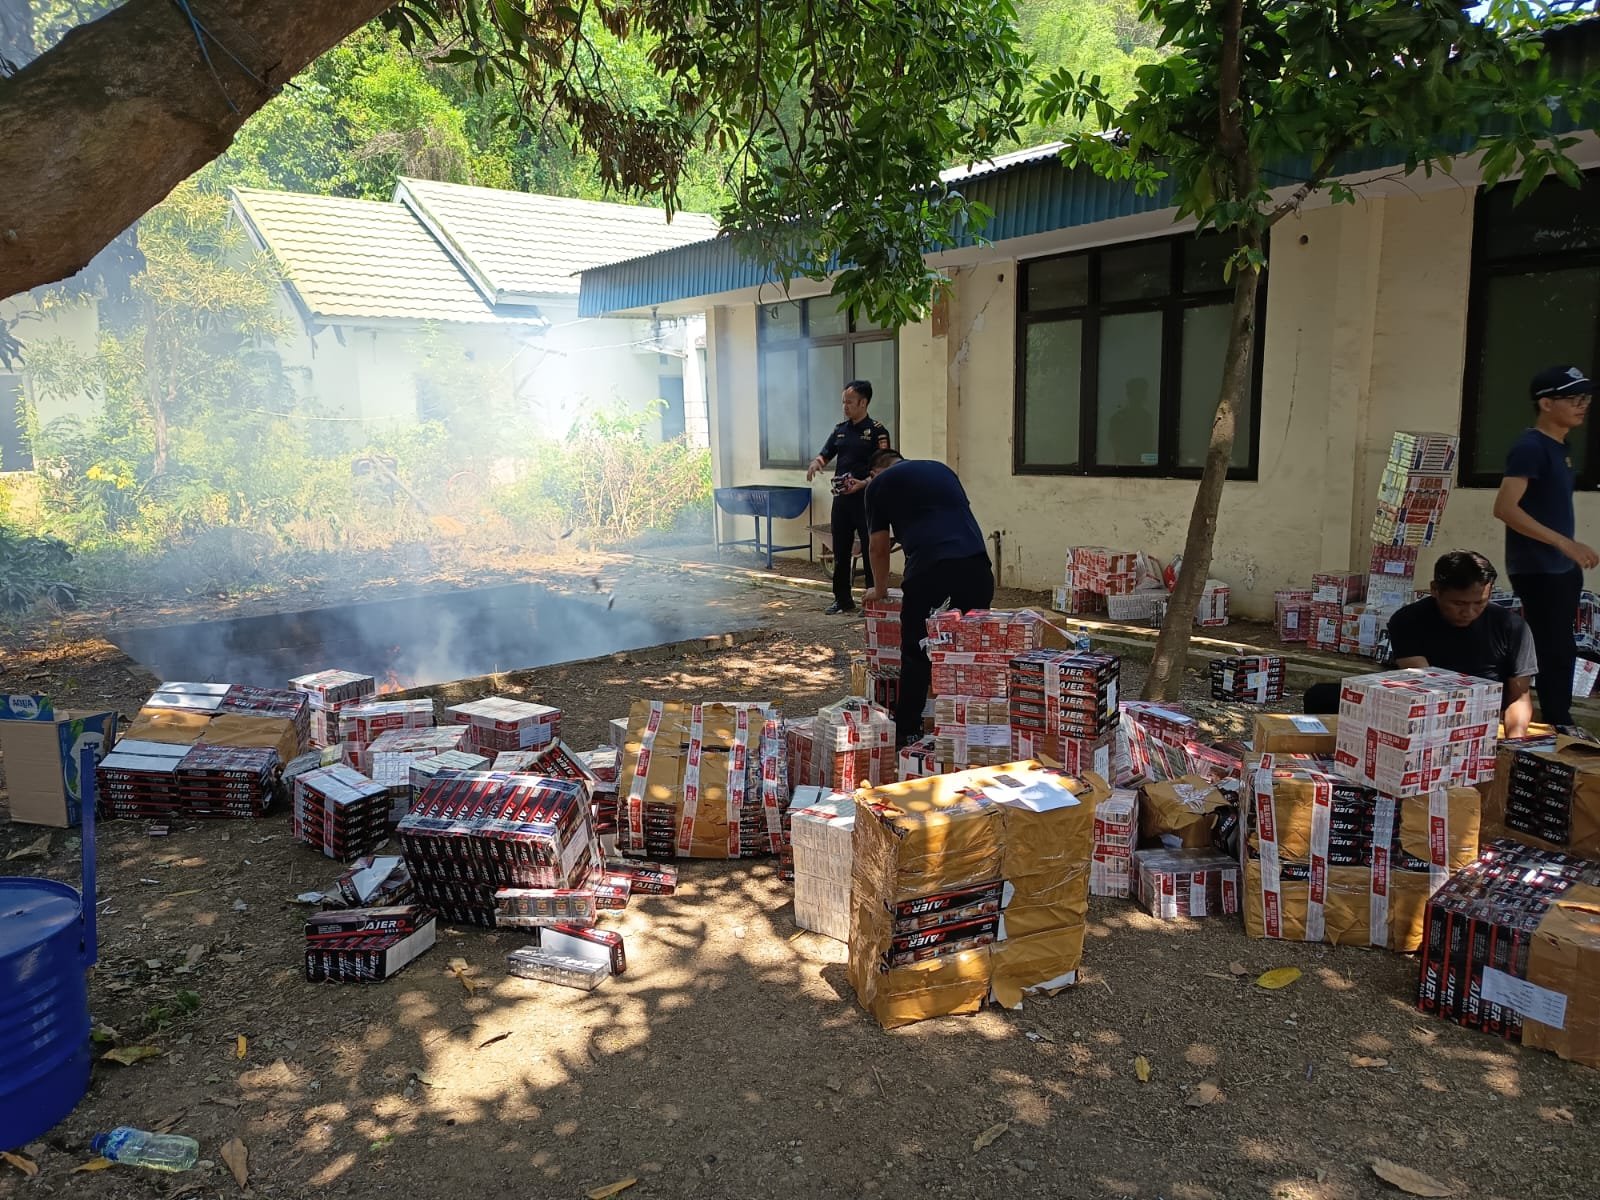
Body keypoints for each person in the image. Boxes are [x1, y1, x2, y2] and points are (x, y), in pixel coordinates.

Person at [1304, 551, 1537, 737]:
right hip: (1423, 704)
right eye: (1458, 603)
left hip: (1482, 712)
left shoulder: (1512, 627)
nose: (1469, 612)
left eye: (1479, 603)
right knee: (1321, 696)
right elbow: (1424, 686)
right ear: (1435, 590)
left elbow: (1519, 697)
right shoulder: (1408, 619)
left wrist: (1513, 748)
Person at [860, 449, 994, 747]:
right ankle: (975, 732)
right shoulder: (940, 469)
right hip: (978, 567)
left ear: (874, 472)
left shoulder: (876, 486)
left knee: (918, 652)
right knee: (970, 652)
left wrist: (880, 589)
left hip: (932, 572)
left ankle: (907, 731)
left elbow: (877, 548)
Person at [1492, 364, 1596, 729]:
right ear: (1546, 403)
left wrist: (1568, 552)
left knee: (1560, 645)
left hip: (1560, 566)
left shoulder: (1559, 447)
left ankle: (1554, 718)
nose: (1582, 405)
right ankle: (1557, 721)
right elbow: (1505, 508)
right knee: (1552, 646)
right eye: (1573, 398)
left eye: (1585, 398)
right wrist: (1563, 543)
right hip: (1538, 566)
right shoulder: (1530, 447)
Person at [805, 380, 891, 614]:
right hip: (842, 500)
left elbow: (884, 468)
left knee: (871, 550)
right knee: (840, 551)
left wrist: (863, 484)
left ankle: (873, 600)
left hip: (866, 500)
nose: (845, 406)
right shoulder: (840, 430)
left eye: (850, 402)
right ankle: (842, 600)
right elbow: (826, 454)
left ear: (863, 402)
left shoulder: (877, 431)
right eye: (843, 402)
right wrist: (816, 463)